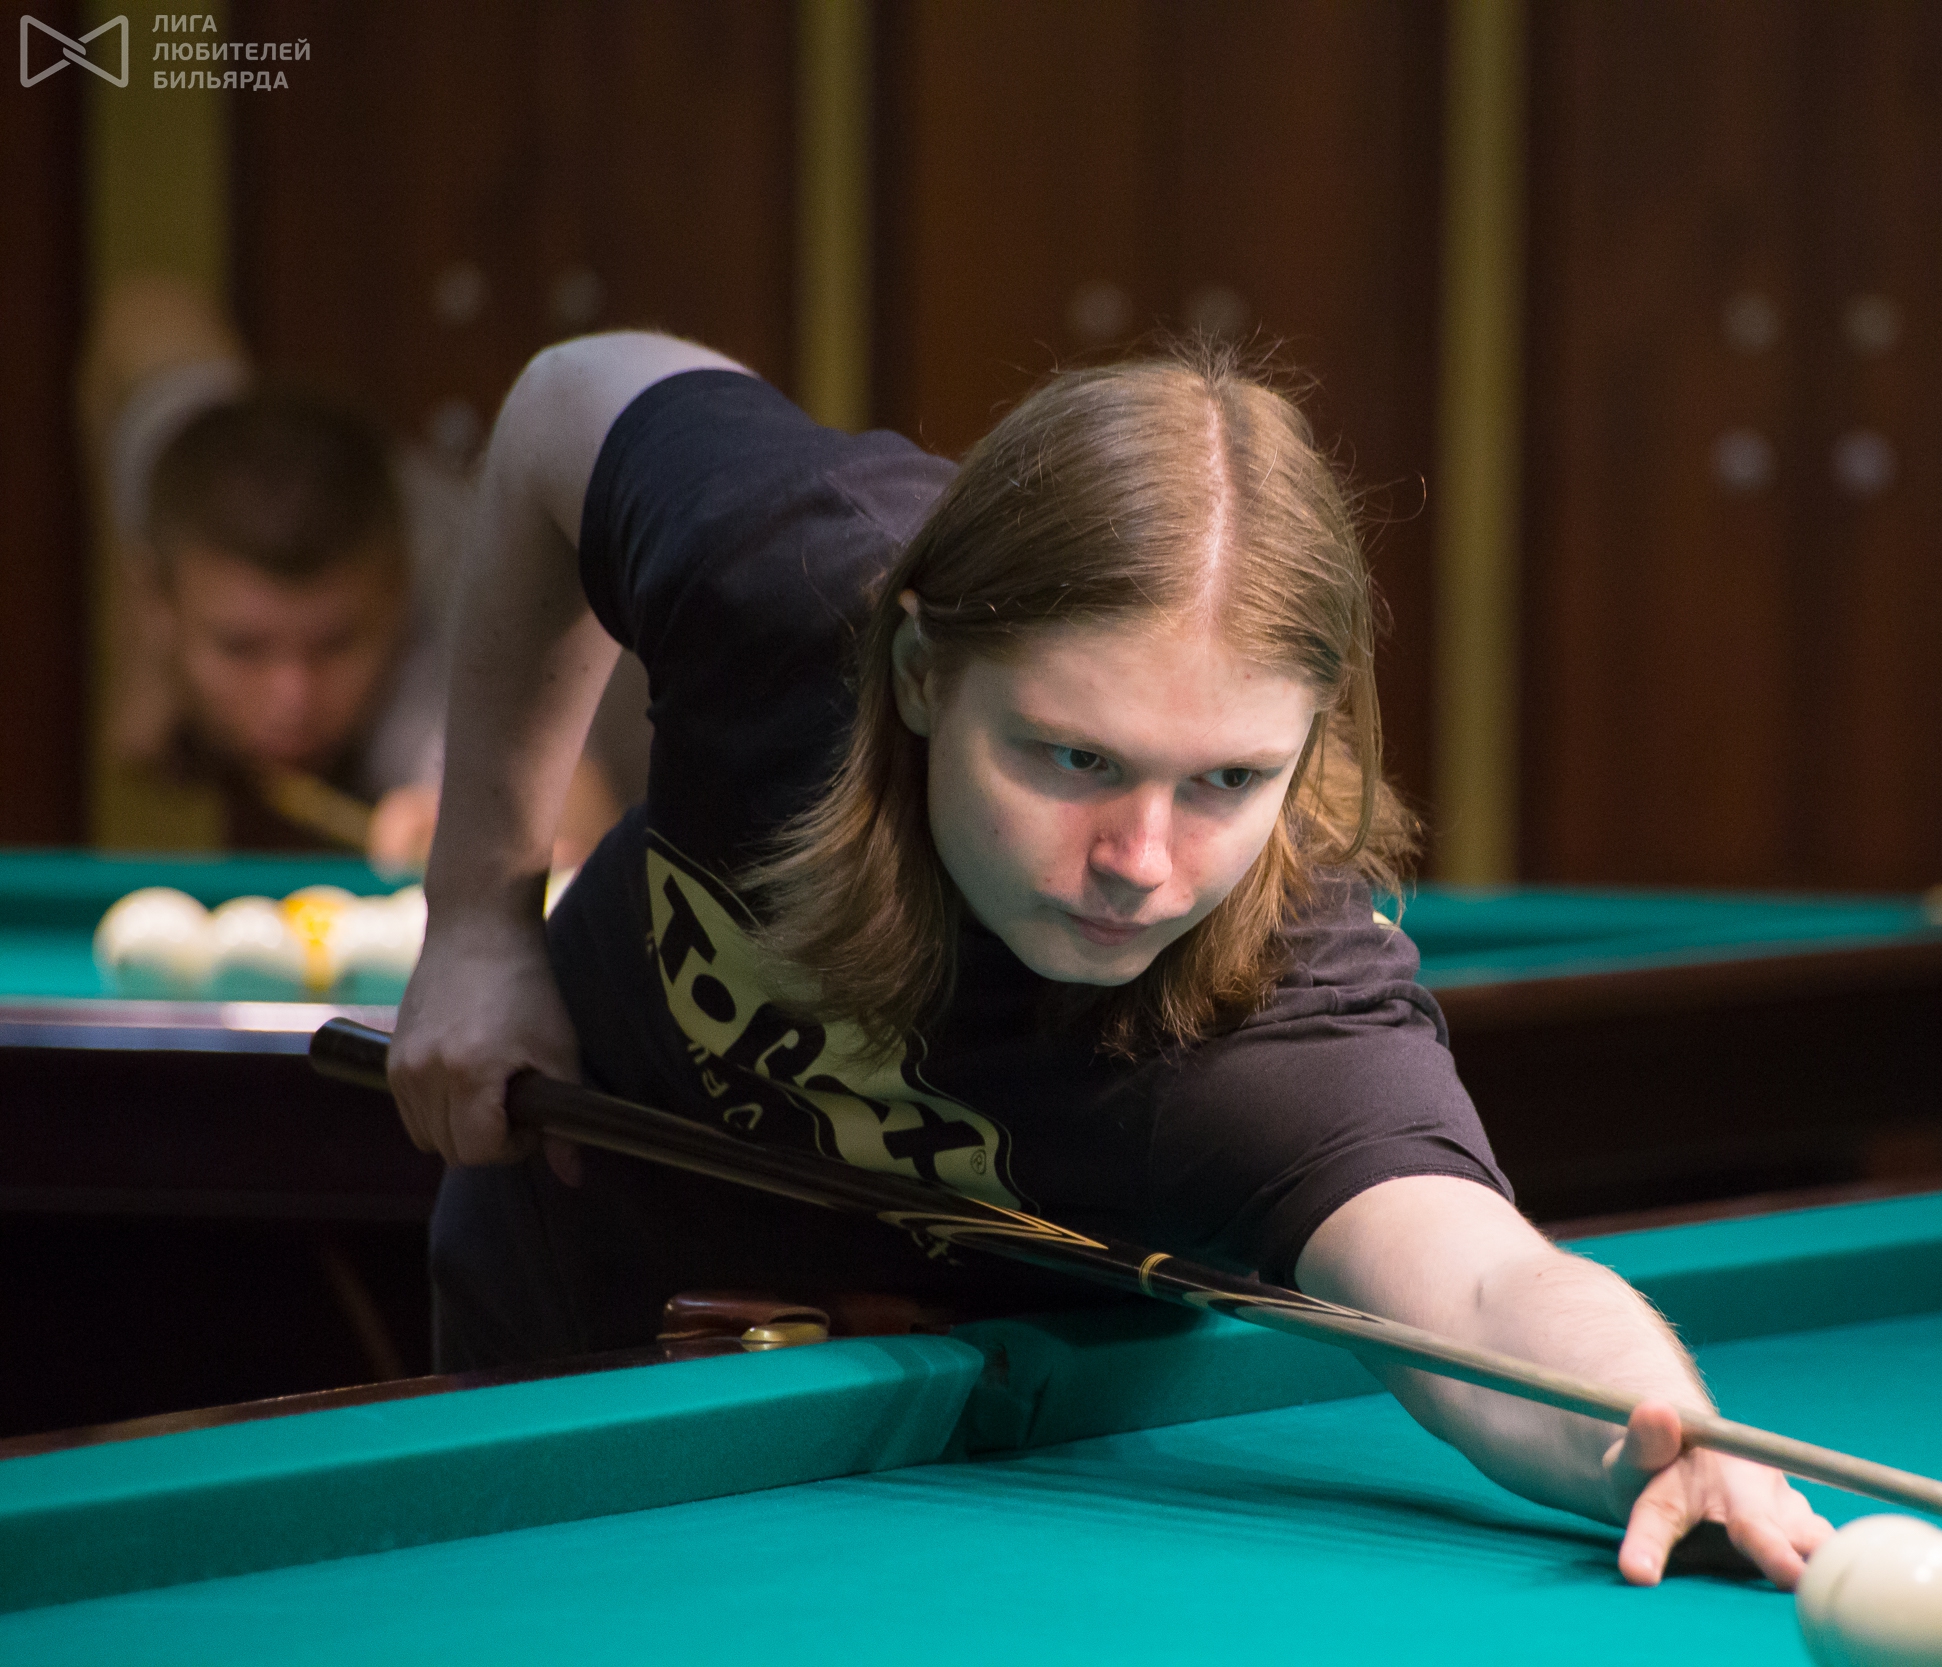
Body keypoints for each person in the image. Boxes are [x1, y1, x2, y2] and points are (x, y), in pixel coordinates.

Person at [387, 329, 1833, 1588]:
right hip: (566, 1310)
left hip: (962, 1495)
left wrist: (1659, 1431)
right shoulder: (789, 582)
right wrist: (479, 919)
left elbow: (1484, 1292)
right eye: (1075, 756)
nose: (1142, 860)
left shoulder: (1284, 1015)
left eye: (1226, 780)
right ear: (921, 674)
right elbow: (567, 401)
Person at [79, 275, 643, 867]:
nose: (292, 699)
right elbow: (142, 316)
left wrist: (467, 834)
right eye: (241, 647)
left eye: (335, 644)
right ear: (158, 599)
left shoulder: (443, 692)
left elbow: (573, 826)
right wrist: (141, 662)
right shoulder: (186, 469)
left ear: (398, 591)